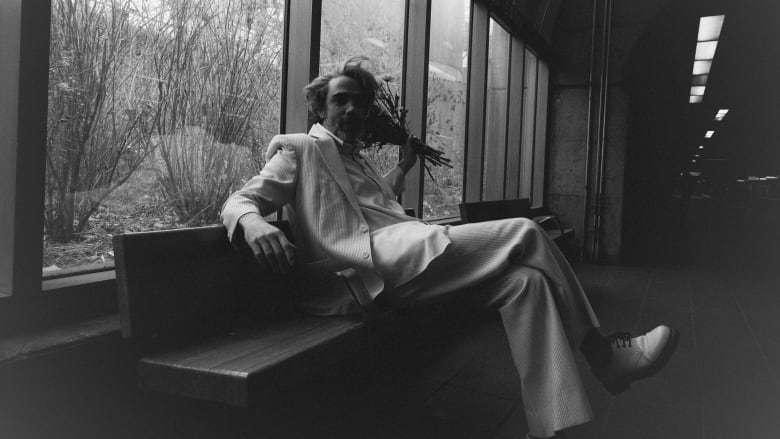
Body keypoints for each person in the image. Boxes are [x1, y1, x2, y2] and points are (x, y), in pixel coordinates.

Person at [220, 58, 679, 439]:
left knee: (526, 283)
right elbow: (241, 199)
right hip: (362, 274)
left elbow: (378, 203)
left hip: (402, 263)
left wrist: (401, 169)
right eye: (340, 100)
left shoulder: (357, 160)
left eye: (360, 102)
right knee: (524, 231)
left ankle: (551, 427)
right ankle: (604, 356)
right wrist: (254, 222)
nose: (352, 109)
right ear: (320, 106)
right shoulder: (299, 149)